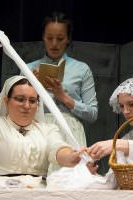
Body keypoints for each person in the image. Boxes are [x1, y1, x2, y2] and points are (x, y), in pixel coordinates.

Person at [0, 29, 84, 188]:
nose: (27, 106)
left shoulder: (47, 130)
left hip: (36, 195)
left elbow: (58, 149)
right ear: (6, 101)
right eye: (20, 99)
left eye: (32, 101)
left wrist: (73, 157)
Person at [26, 11, 98, 174]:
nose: (54, 44)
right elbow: (16, 108)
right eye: (49, 38)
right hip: (38, 128)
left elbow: (93, 114)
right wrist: (33, 89)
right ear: (43, 37)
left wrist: (63, 97)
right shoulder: (29, 68)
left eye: (60, 39)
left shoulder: (81, 68)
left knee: (68, 184)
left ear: (68, 39)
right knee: (36, 181)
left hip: (69, 130)